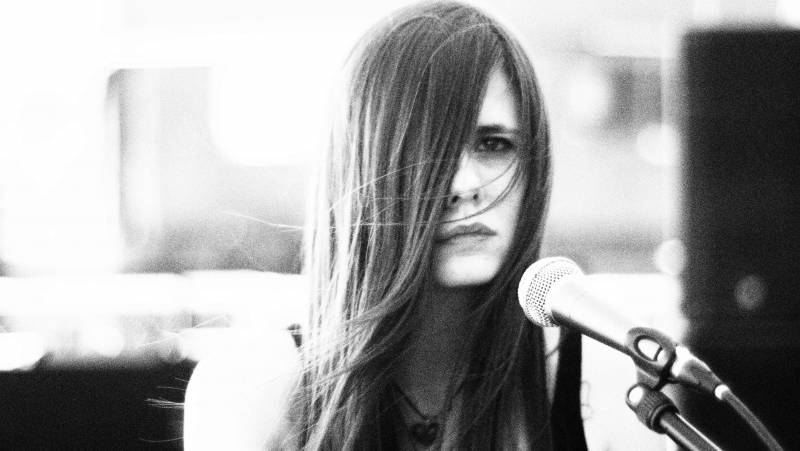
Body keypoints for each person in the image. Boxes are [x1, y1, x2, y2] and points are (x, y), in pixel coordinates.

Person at [184, 1, 587, 449]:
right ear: (362, 172)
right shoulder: (249, 386)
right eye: (426, 148)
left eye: (493, 144)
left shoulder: (590, 377)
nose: (464, 184)